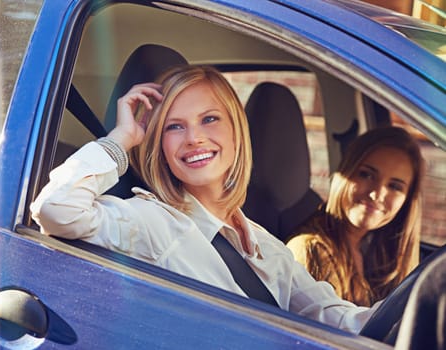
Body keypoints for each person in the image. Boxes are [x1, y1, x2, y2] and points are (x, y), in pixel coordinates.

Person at [31, 65, 376, 334]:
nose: (194, 138)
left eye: (209, 119)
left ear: (236, 131)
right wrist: (121, 138)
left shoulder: (267, 247)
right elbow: (56, 208)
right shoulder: (152, 222)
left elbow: (338, 321)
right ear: (159, 146)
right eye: (174, 127)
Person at [287, 126, 424, 307]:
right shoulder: (310, 250)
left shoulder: (375, 250)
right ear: (346, 172)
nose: (376, 194)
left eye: (395, 187)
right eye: (366, 175)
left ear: (407, 200)